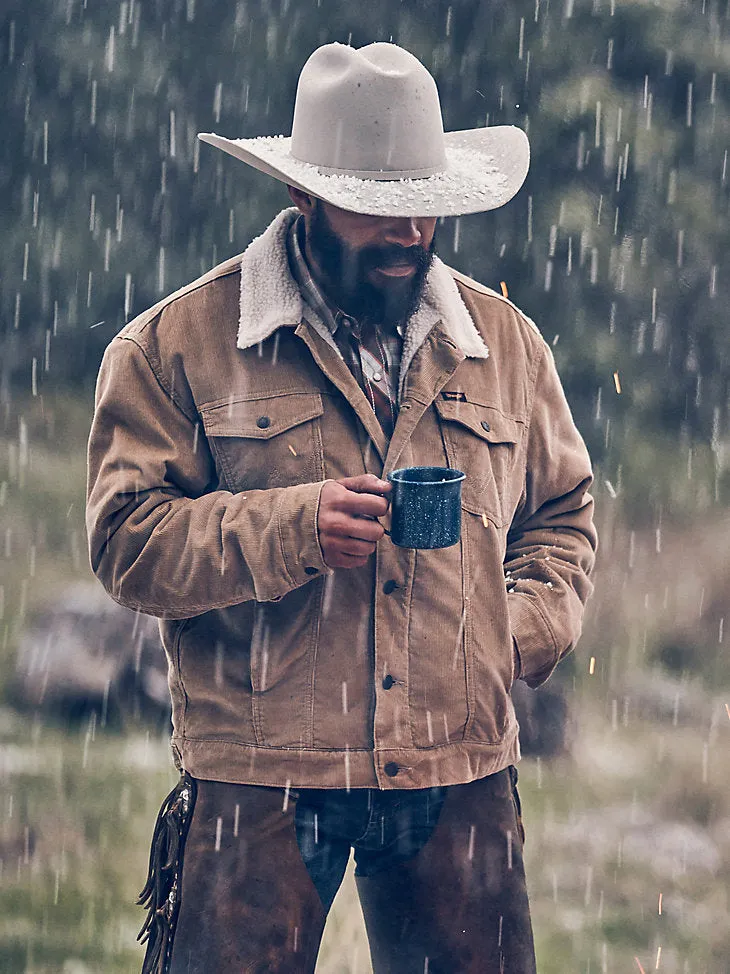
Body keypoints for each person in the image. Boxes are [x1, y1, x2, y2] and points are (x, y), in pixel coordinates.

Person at [86, 41, 597, 974]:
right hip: (259, 771)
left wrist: (507, 633)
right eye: (378, 209)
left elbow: (563, 516)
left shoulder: (507, 344)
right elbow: (127, 543)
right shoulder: (177, 343)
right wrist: (289, 529)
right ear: (304, 198)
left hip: (461, 766)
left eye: (425, 207)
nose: (409, 234)